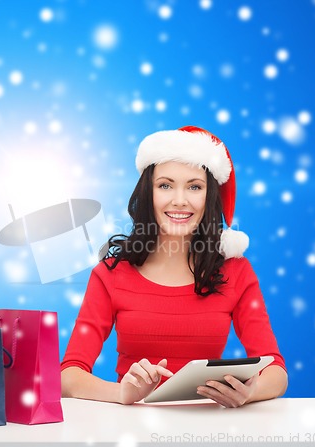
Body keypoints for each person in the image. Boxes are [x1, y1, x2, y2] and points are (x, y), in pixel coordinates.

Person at [61, 125, 288, 407]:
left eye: (194, 186)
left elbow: (276, 371)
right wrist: (122, 394)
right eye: (165, 185)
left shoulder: (236, 271)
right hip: (131, 430)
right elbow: (69, 376)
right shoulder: (111, 274)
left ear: (209, 196)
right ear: (148, 192)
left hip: (207, 429)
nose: (179, 200)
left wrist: (249, 393)